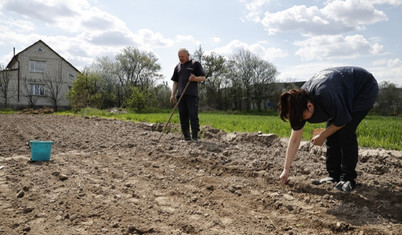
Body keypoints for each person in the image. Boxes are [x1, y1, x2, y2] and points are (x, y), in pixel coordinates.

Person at [278, 66, 378, 192]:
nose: (302, 122)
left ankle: (348, 178)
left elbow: (342, 121)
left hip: (363, 88)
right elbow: (294, 141)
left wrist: (322, 135)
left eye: (303, 118)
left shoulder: (325, 95)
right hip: (339, 92)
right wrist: (286, 170)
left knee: (346, 132)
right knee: (332, 135)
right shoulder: (297, 103)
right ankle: (334, 175)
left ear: (309, 106)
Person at [170, 48, 206, 141]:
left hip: (191, 95)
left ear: (187, 55)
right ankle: (187, 137)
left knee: (193, 115)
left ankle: (195, 137)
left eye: (182, 56)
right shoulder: (177, 67)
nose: (180, 58)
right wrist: (172, 94)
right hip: (180, 95)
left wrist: (194, 78)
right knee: (183, 116)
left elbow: (203, 78)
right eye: (179, 57)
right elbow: (175, 82)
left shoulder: (195, 64)